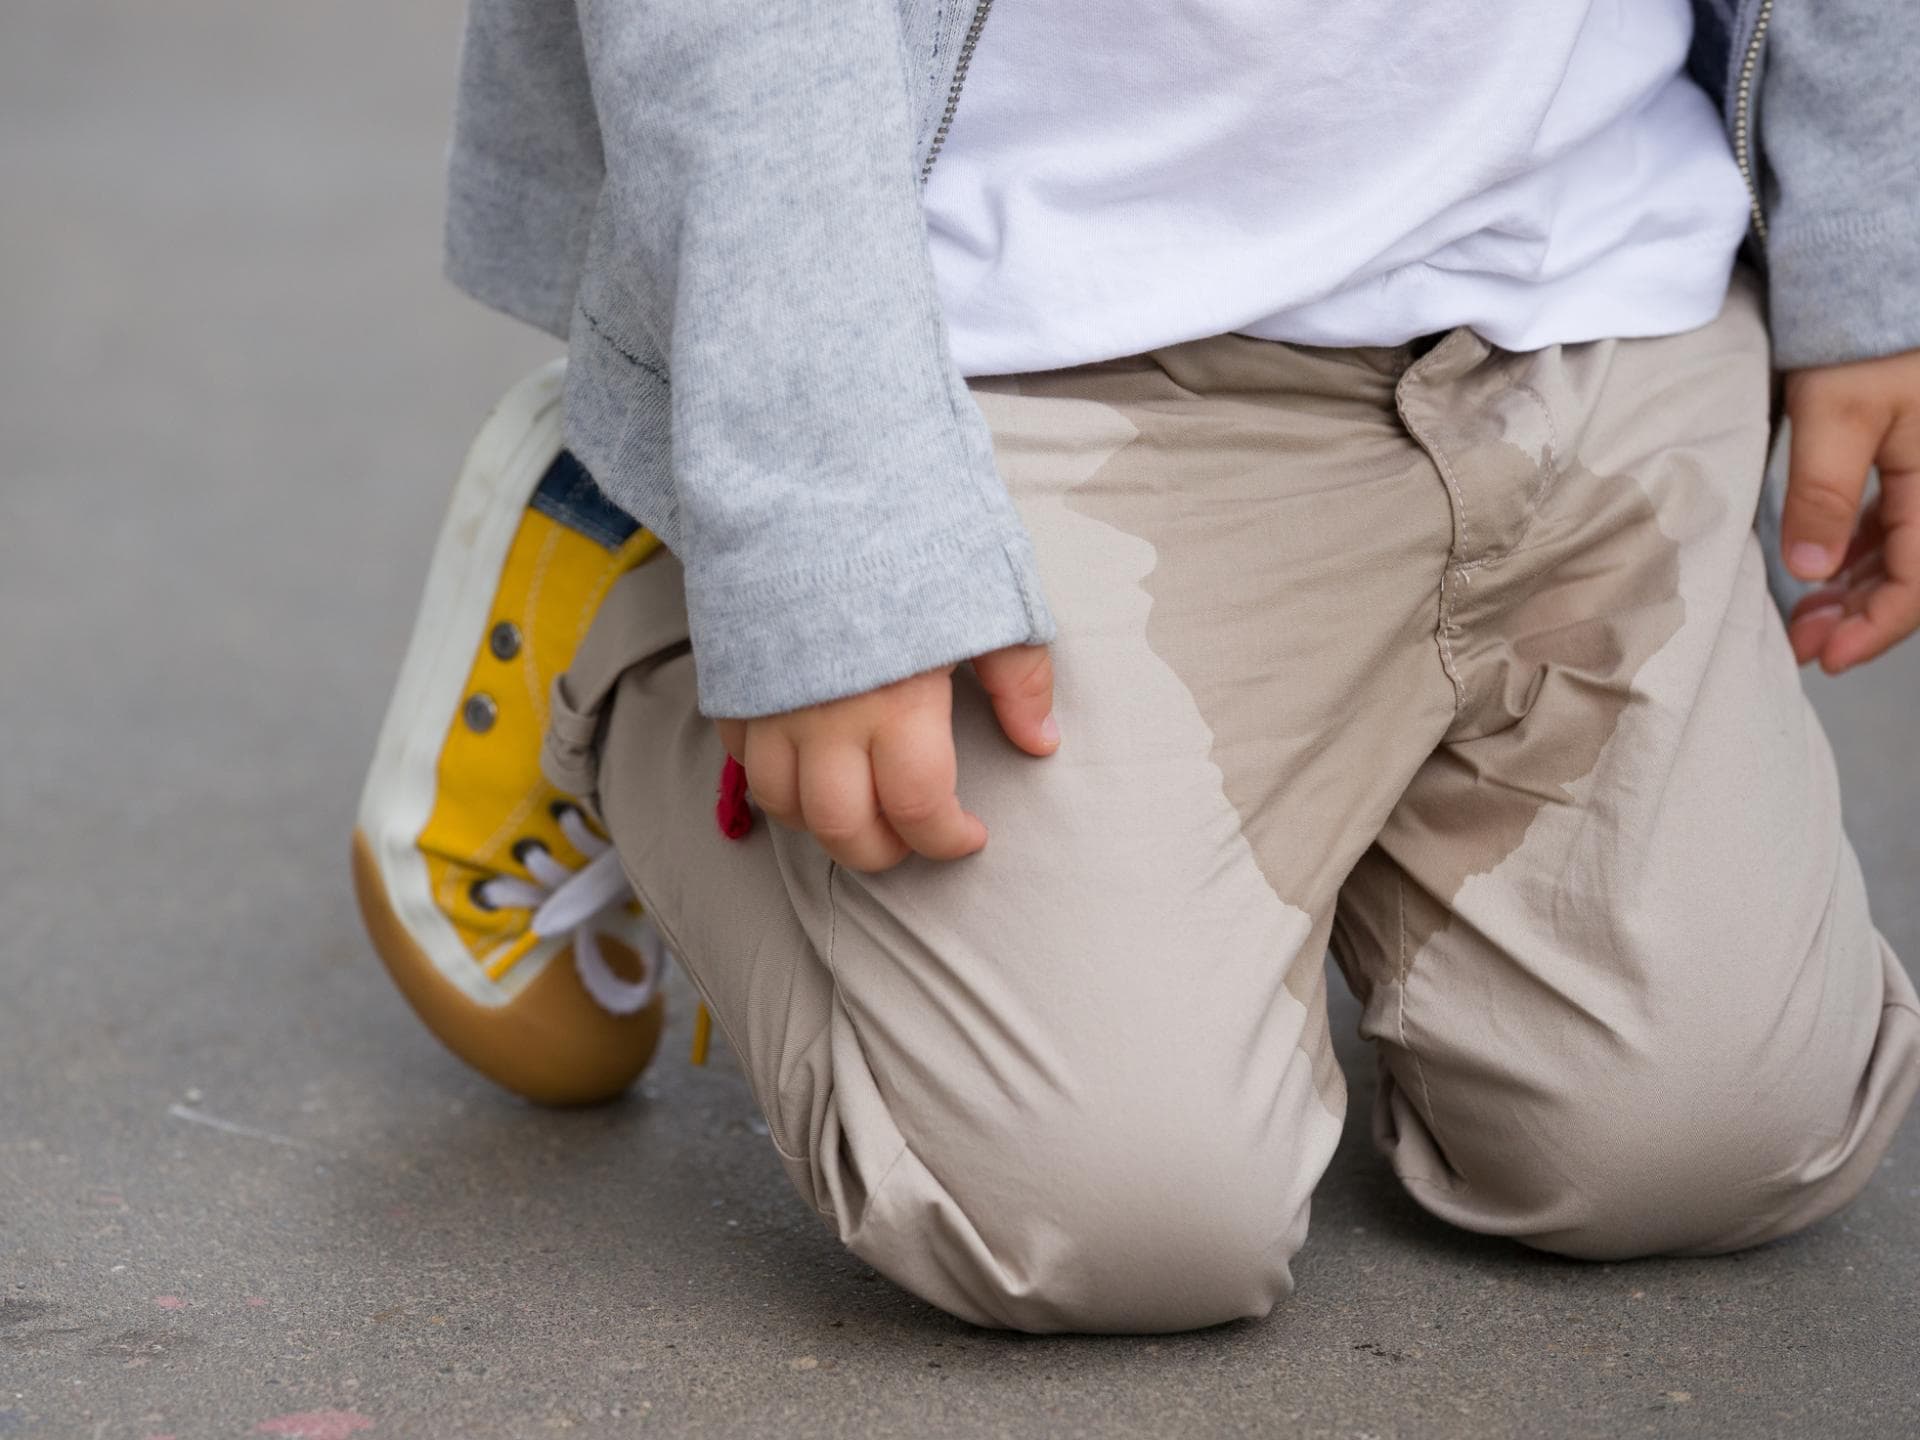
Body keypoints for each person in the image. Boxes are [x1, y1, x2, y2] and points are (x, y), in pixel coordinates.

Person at [351, 0, 1920, 1332]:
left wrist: (1878, 240)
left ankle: (1294, 825)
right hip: (1017, 335)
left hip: (1599, 296)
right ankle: (630, 585)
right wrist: (812, 512)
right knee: (1097, 1214)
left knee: (1707, 1141)